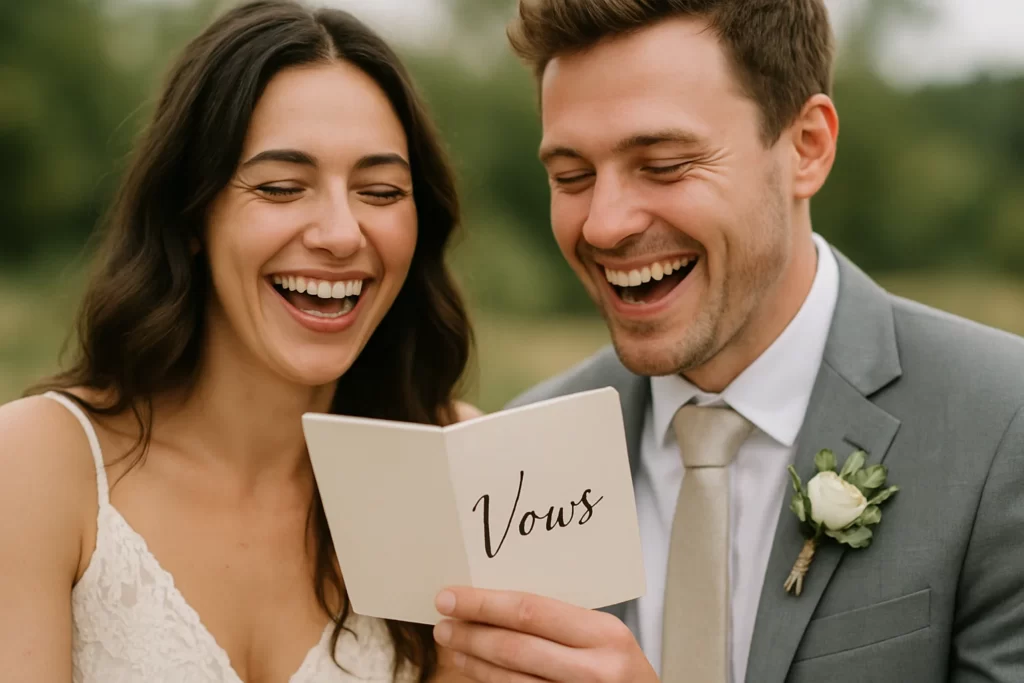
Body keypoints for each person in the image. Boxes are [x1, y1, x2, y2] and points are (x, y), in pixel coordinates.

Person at [430, 1, 1024, 682]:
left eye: (664, 163)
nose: (603, 224)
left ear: (808, 147)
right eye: (572, 177)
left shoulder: (1005, 426)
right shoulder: (520, 451)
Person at [0, 1, 480, 681]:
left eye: (380, 191)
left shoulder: (459, 468)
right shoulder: (37, 466)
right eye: (283, 187)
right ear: (192, 214)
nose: (342, 234)